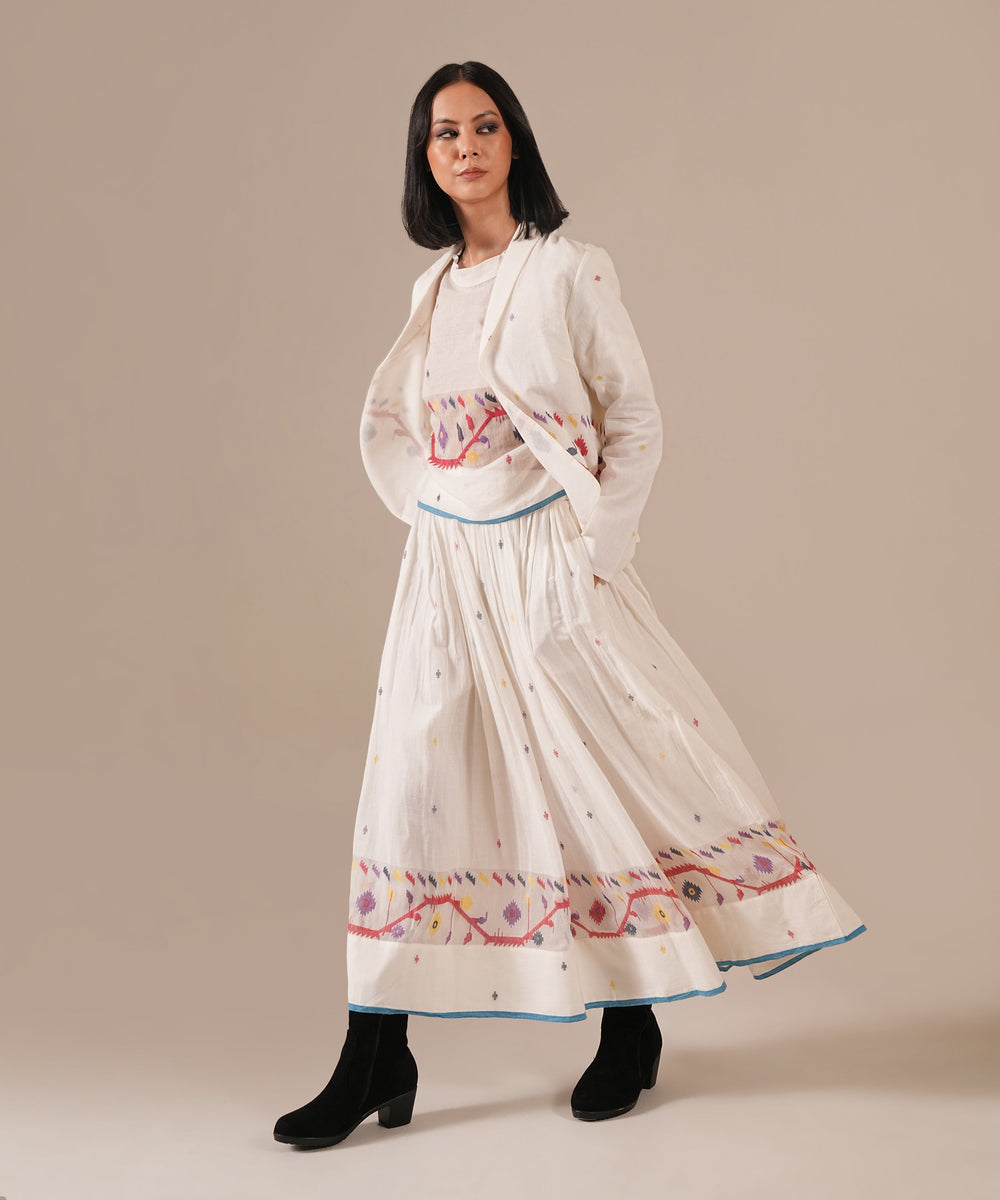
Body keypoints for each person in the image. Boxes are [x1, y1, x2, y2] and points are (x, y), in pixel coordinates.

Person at [273, 60, 867, 1149]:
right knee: (409, 790)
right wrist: (434, 511)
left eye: (483, 126)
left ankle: (632, 1022)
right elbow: (413, 429)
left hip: (547, 559)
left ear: (515, 141)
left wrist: (592, 554)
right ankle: (375, 1049)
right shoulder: (431, 288)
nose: (464, 147)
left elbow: (632, 419)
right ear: (423, 158)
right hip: (446, 570)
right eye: (444, 133)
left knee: (589, 782)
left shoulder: (567, 270)